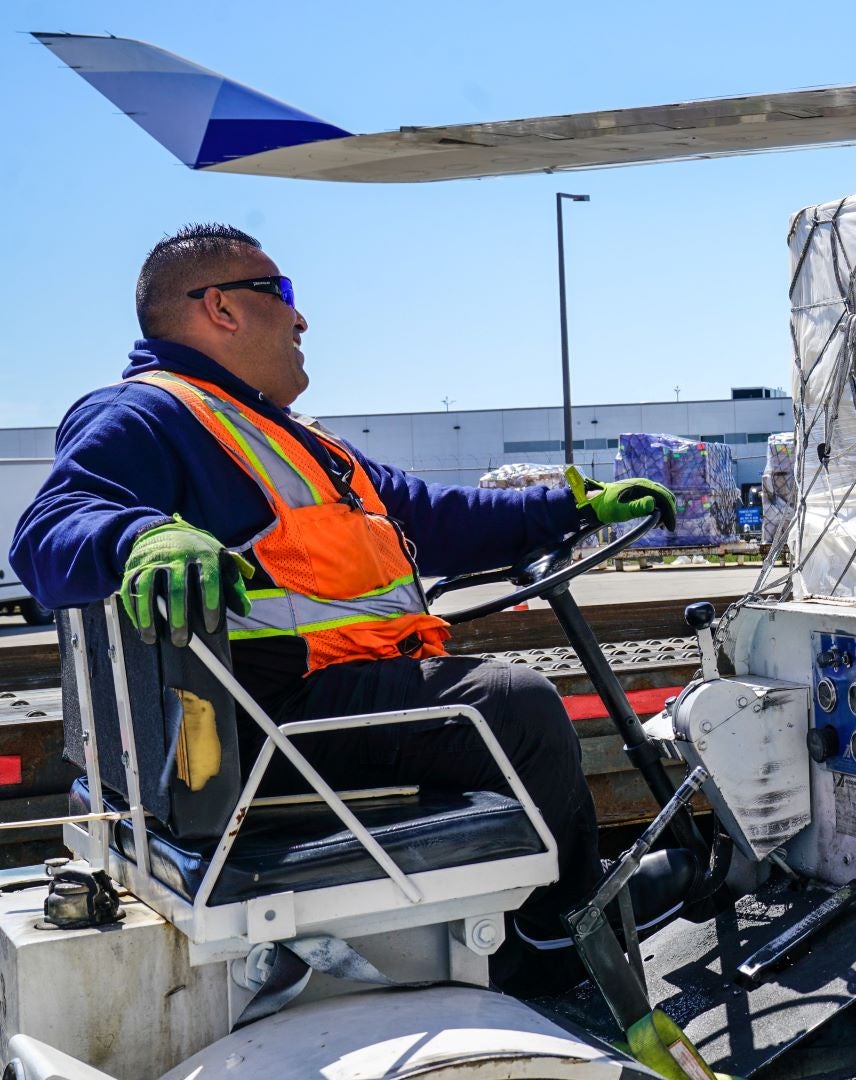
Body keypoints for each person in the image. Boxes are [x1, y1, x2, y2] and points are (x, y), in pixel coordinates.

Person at [9, 223, 679, 995]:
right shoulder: (146, 414)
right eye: (281, 294)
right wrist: (142, 535)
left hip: (335, 705)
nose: (300, 319)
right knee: (514, 705)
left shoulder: (290, 438)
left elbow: (434, 516)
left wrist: (570, 505)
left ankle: (536, 913)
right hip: (270, 728)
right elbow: (47, 529)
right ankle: (552, 943)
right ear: (219, 307)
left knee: (497, 701)